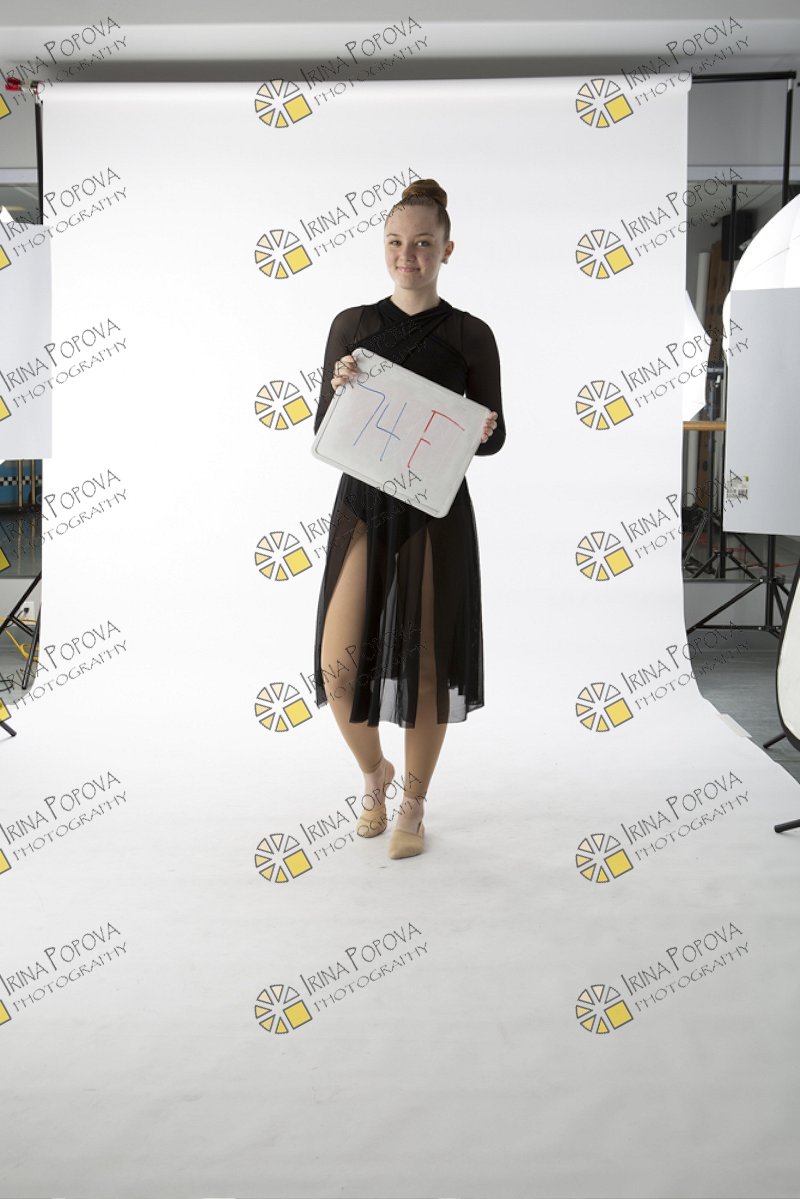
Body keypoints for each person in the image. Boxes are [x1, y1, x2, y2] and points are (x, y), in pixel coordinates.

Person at [312, 178, 505, 859]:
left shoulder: (470, 334)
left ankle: (415, 803)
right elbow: (323, 428)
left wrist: (482, 427)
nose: (408, 256)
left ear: (447, 249)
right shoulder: (352, 326)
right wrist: (339, 388)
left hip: (433, 511)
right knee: (338, 669)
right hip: (362, 506)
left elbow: (496, 437)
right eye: (396, 242)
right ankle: (376, 775)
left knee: (426, 669)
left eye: (423, 243)